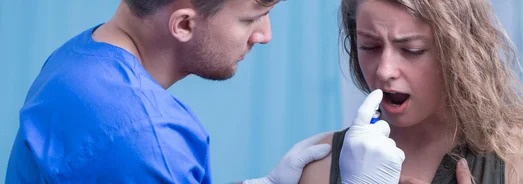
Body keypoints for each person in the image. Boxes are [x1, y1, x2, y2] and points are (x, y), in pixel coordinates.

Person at [5, 0, 405, 183]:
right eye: (254, 17)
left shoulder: (78, 58)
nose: (265, 35)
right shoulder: (146, 137)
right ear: (182, 25)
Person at [299, 0, 523, 183]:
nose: (384, 70)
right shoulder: (322, 161)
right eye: (369, 46)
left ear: (461, 53)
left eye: (412, 50)